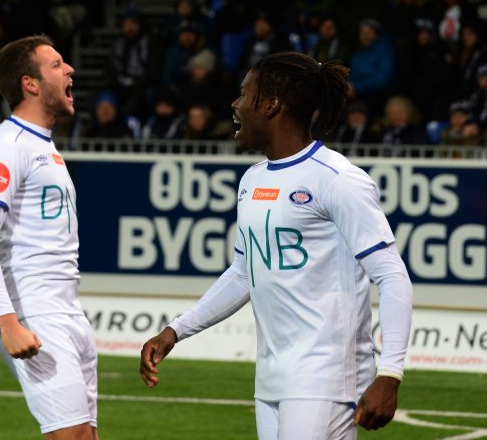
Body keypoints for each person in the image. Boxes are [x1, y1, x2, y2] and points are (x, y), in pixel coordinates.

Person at [140, 51, 413, 439]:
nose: (234, 105)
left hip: (325, 374)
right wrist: (175, 331)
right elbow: (243, 273)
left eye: (243, 94)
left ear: (271, 105)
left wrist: (390, 374)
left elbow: (391, 275)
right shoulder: (252, 180)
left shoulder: (337, 179)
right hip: (271, 374)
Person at [0, 35, 98, 439]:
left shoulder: (44, 147)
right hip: (33, 313)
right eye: (56, 64)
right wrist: (9, 322)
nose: (70, 69)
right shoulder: (7, 146)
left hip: (67, 311)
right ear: (31, 84)